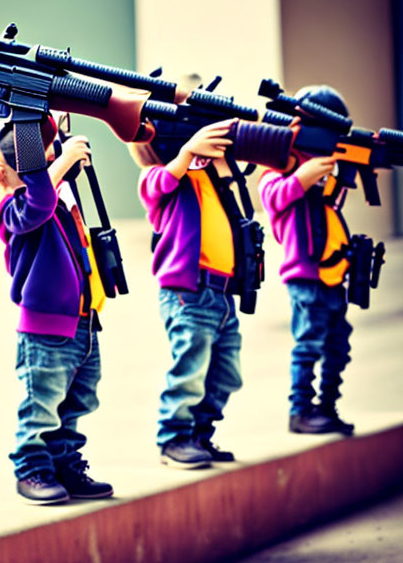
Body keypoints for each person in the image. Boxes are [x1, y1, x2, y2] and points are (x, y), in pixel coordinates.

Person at [0, 116, 114, 504]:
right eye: (37, 165)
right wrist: (53, 167)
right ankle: (32, 469)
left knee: (76, 401)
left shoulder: (59, 195)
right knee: (41, 404)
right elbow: (39, 199)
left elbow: (54, 185)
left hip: (83, 322)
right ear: (2, 174)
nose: (49, 168)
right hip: (45, 327)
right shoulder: (12, 210)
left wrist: (56, 136)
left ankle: (63, 463)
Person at [132, 119, 244, 468]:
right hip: (188, 292)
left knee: (226, 373)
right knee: (190, 370)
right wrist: (187, 152)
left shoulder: (207, 175)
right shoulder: (157, 176)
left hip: (222, 294)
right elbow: (162, 181)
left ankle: (199, 434)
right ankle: (174, 438)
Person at [258, 85, 355, 436]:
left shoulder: (324, 176)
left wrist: (337, 172)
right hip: (304, 273)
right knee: (308, 343)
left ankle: (326, 407)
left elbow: (334, 204)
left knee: (337, 343)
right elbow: (274, 197)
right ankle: (300, 411)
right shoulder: (277, 172)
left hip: (332, 273)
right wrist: (303, 175)